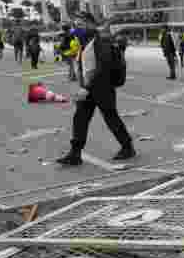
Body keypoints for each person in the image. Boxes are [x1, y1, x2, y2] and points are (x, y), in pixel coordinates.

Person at [56, 21, 135, 166]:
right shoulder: (86, 42)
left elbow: (103, 66)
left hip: (102, 88)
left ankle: (128, 147)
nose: (77, 27)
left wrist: (87, 87)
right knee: (80, 118)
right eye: (76, 24)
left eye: (80, 23)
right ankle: (75, 153)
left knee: (111, 118)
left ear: (90, 25)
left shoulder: (100, 42)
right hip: (90, 88)